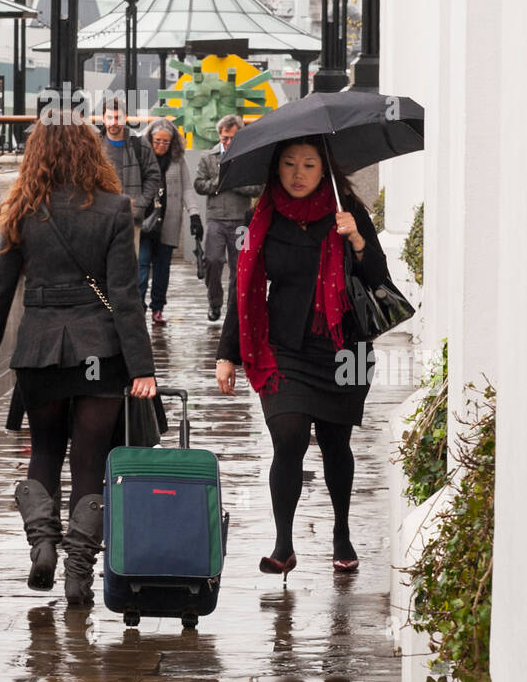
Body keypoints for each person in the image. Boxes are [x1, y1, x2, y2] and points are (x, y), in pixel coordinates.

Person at [0, 115, 156, 606]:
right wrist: (142, 369)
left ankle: (42, 545)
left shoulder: (23, 211)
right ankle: (77, 573)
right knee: (90, 460)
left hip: (39, 350)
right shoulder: (114, 210)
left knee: (45, 451)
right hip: (99, 351)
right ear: (92, 154)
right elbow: (125, 298)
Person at [215, 136, 389, 577]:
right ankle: (283, 544)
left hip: (344, 347)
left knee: (336, 443)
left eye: (309, 165)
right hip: (284, 348)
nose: (297, 174)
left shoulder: (346, 210)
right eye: (289, 164)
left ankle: (343, 533)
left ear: (323, 168)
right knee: (288, 435)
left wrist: (358, 243)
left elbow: (380, 279)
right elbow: (245, 284)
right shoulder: (266, 215)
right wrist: (228, 353)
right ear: (276, 168)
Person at [193, 114, 263, 322]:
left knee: (241, 265)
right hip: (216, 218)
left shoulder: (249, 157)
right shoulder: (209, 157)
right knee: (212, 260)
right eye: (225, 138)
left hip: (242, 221)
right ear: (219, 136)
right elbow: (199, 184)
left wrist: (235, 182)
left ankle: (235, 306)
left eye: (233, 137)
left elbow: (258, 187)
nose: (228, 142)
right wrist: (219, 182)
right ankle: (215, 302)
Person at [138, 119, 203, 325]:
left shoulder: (177, 159)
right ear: (150, 139)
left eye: (166, 142)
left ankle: (158, 307)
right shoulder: (141, 157)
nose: (161, 146)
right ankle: (138, 306)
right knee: (141, 265)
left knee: (162, 268)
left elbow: (186, 188)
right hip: (144, 221)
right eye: (157, 141)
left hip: (168, 221)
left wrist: (194, 214)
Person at [98, 96, 160, 253]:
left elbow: (154, 175)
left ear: (125, 118)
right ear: (103, 119)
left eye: (118, 117)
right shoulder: (95, 146)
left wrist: (140, 203)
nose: (113, 122)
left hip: (131, 219)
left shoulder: (139, 143)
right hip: (102, 219)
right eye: (109, 117)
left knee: (130, 267)